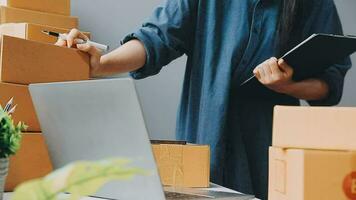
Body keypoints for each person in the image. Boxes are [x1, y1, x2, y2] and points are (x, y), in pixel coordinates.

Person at [56, 0, 352, 199]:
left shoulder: (314, 4)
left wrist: (290, 86)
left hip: (270, 153)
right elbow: (156, 38)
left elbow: (329, 85)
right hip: (204, 142)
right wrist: (102, 64)